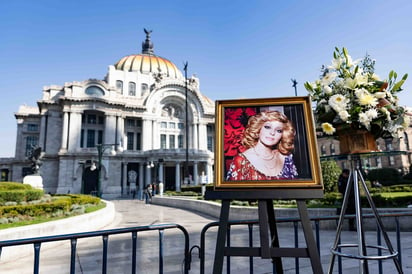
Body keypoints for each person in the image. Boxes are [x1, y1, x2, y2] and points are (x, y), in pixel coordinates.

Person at [226, 110, 298, 181]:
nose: (272, 133)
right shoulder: (241, 161)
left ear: (283, 135)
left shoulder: (286, 158)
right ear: (258, 129)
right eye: (267, 127)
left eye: (278, 130)